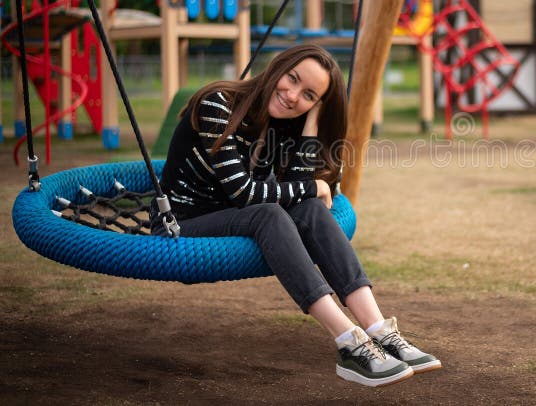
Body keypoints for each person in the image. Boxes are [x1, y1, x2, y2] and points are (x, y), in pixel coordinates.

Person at [151, 44, 440, 387]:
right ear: (277, 68)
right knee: (274, 212)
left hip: (233, 217)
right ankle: (349, 342)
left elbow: (299, 191)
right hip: (182, 223)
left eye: (308, 95)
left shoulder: (282, 124)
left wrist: (312, 122)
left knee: (308, 208)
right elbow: (245, 193)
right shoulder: (218, 104)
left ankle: (380, 330)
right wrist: (313, 187)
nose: (291, 96)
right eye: (291, 79)